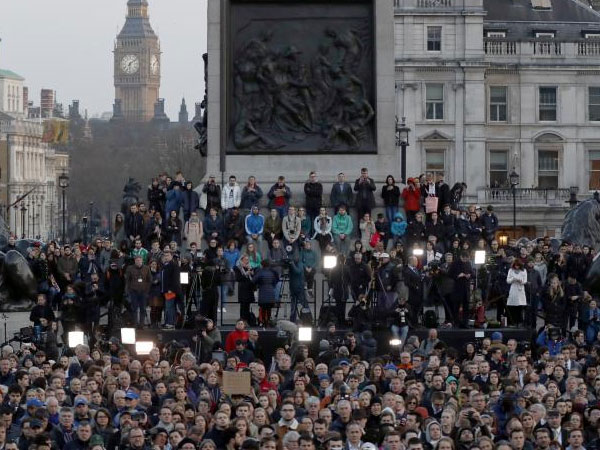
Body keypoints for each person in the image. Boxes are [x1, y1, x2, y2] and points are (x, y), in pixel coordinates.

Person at [253, 261, 279, 327]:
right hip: (271, 291)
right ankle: (268, 321)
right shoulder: (272, 272)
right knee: (269, 308)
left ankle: (264, 322)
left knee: (263, 308)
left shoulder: (260, 272)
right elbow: (276, 280)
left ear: (262, 265)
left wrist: (258, 284)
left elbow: (254, 280)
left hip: (263, 292)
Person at [506, 259, 527, 326]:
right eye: (515, 265)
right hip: (513, 289)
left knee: (519, 307)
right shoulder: (511, 270)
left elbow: (525, 281)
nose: (517, 267)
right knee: (512, 306)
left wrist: (521, 281)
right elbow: (508, 280)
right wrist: (513, 279)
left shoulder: (524, 271)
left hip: (520, 290)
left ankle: (519, 322)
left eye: (518, 266)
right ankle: (512, 322)